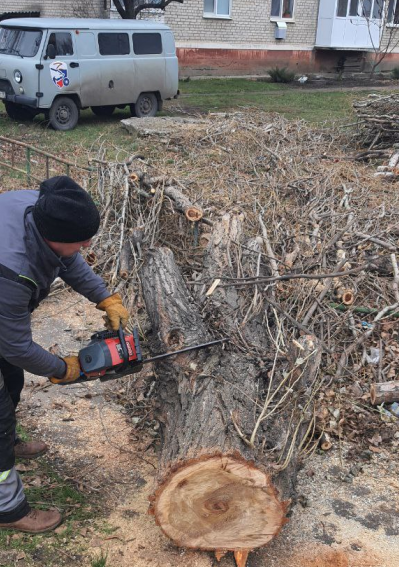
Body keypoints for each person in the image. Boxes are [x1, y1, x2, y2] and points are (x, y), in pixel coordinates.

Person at [0, 176, 129, 533]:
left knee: (10, 376)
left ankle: (9, 440)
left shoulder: (45, 207)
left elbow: (67, 259)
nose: (87, 244)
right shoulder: (11, 266)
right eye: (82, 240)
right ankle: (8, 510)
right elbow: (16, 345)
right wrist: (63, 368)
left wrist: (104, 296)